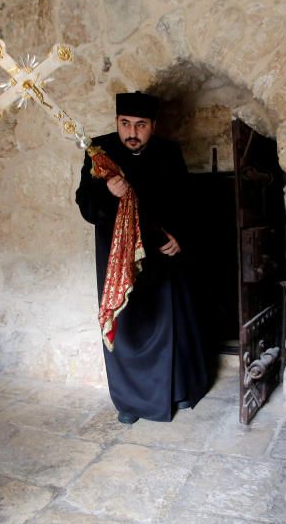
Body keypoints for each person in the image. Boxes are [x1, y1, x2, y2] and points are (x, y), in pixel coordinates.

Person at [75, 91, 210, 424]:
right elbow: (85, 205)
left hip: (161, 257)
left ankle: (173, 393)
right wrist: (107, 192)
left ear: (153, 125)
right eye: (125, 124)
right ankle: (130, 403)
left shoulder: (168, 152)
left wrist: (180, 237)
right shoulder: (99, 152)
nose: (131, 132)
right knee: (127, 329)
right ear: (116, 123)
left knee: (167, 325)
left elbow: (186, 201)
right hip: (117, 260)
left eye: (140, 125)